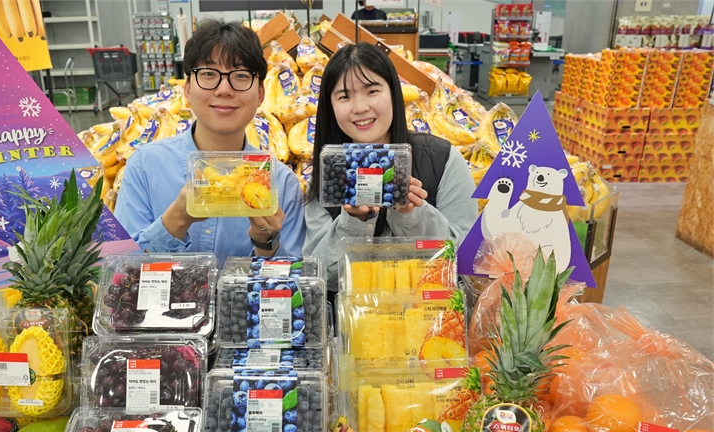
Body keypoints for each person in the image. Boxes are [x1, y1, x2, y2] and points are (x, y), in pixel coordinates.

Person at [115, 20, 305, 268]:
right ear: (187, 89)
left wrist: (267, 243)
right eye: (208, 74)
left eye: (240, 76)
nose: (224, 89)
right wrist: (177, 219)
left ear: (260, 94)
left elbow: (290, 284)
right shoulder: (145, 167)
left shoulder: (282, 184)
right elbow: (120, 272)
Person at [304, 42, 477, 292]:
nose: (360, 107)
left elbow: (464, 260)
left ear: (394, 92)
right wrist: (353, 221)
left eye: (372, 91)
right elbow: (318, 277)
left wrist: (412, 215)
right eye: (344, 96)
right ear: (330, 107)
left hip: (429, 315)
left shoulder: (443, 159)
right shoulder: (327, 173)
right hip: (354, 316)